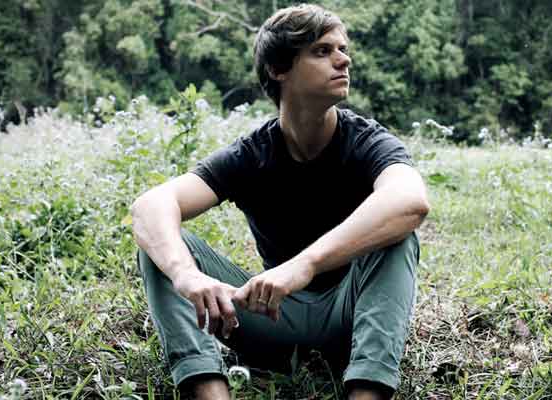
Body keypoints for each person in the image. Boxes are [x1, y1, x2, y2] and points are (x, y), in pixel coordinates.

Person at [131, 4, 430, 399]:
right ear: (278, 68)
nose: (344, 60)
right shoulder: (252, 153)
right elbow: (150, 205)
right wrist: (187, 275)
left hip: (353, 318)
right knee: (163, 246)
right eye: (322, 51)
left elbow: (410, 200)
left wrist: (305, 264)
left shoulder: (366, 141)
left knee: (397, 236)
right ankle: (210, 392)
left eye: (343, 49)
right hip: (269, 317)